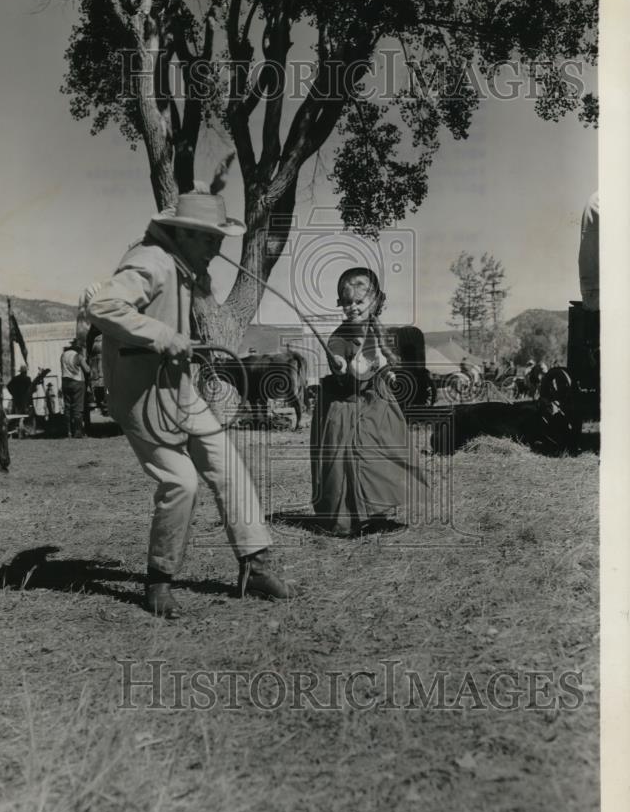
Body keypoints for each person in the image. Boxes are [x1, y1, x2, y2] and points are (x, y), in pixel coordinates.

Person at [82, 190, 294, 618]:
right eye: (209, 239)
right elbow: (102, 305)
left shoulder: (182, 268)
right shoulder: (151, 261)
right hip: (142, 397)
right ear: (182, 233)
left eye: (220, 239)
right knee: (181, 481)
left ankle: (255, 565)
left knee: (228, 466)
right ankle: (159, 580)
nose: (218, 249)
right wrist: (162, 335)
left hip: (181, 390)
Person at [310, 267, 429, 536]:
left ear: (374, 302)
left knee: (380, 456)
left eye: (359, 302)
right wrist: (339, 363)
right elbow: (343, 368)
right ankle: (345, 520)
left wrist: (388, 371)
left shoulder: (378, 332)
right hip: (345, 405)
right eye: (347, 302)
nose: (352, 308)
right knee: (346, 463)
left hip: (376, 404)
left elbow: (383, 361)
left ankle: (375, 510)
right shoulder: (339, 337)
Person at [60, 338, 90, 438]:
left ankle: (68, 431)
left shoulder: (63, 355)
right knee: (78, 407)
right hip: (77, 382)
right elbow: (87, 370)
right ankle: (78, 432)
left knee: (67, 407)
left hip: (65, 381)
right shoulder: (78, 356)